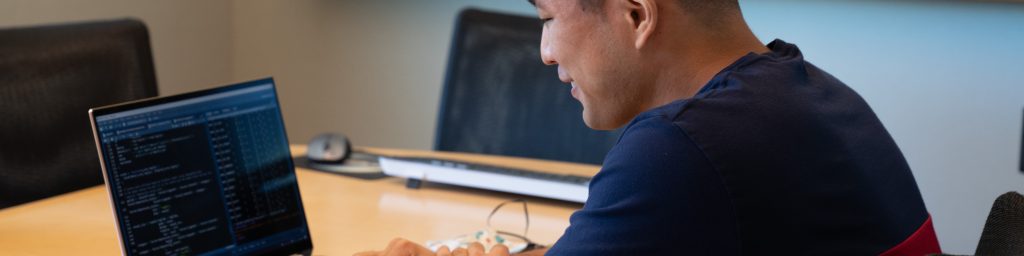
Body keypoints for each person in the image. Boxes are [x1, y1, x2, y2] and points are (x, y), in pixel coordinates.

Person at [357, 0, 941, 255]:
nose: (544, 53)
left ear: (637, 13)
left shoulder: (683, 149)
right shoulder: (812, 95)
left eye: (548, 20)